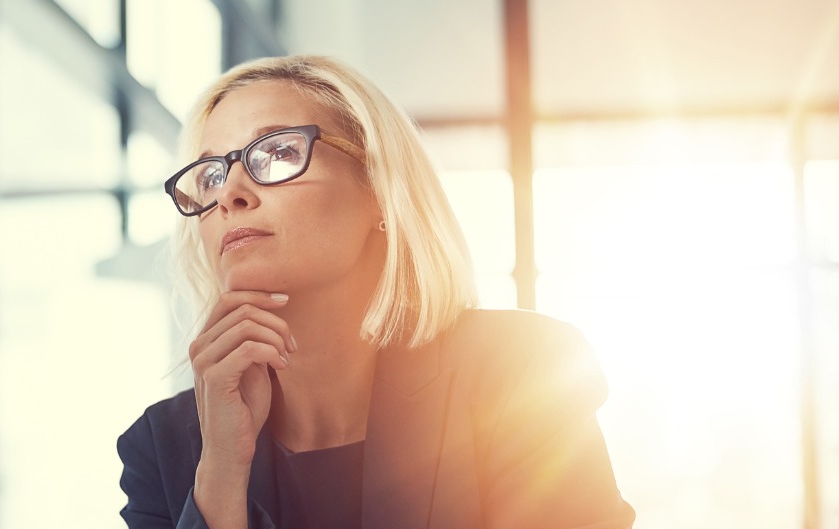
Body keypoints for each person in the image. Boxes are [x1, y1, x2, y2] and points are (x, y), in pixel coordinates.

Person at [116, 55, 635, 529]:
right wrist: (222, 476)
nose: (229, 192)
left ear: (379, 191)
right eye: (209, 175)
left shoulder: (523, 373)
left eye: (276, 153)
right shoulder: (161, 449)